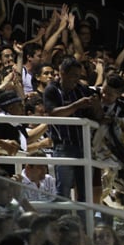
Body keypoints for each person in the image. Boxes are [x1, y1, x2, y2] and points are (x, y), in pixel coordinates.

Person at [43, 56, 101, 201]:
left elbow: (97, 116)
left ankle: (83, 222)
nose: (76, 79)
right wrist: (76, 105)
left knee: (85, 192)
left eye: (78, 76)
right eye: (73, 75)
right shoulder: (52, 90)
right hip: (63, 146)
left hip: (85, 146)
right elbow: (53, 113)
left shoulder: (83, 90)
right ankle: (62, 222)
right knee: (63, 190)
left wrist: (96, 105)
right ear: (62, 72)